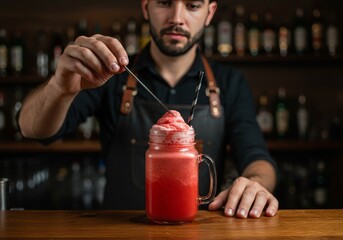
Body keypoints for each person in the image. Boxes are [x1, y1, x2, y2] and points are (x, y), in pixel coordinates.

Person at [18, 0, 279, 218]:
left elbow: (258, 159)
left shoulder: (229, 84)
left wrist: (255, 183)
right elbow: (32, 129)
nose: (176, 17)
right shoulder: (109, 75)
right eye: (165, 2)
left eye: (193, 5)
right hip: (119, 234)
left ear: (209, 13)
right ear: (146, 7)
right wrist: (60, 87)